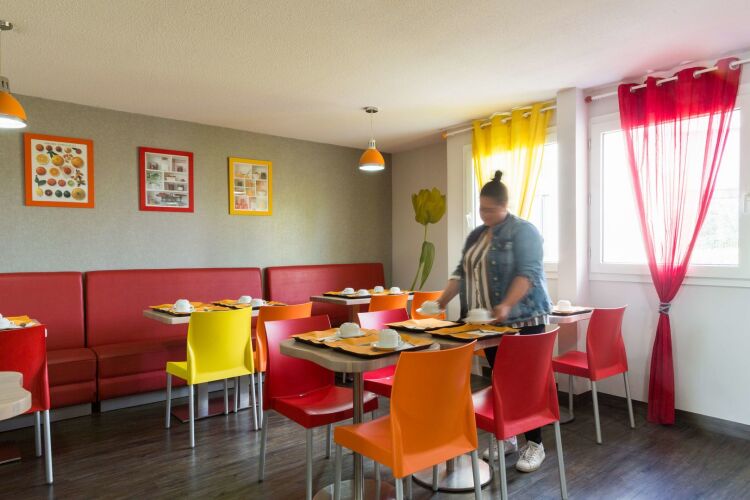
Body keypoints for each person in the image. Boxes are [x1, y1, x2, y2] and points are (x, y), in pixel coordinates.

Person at [436, 170, 552, 473]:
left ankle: (535, 445)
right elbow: (461, 272)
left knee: (524, 383)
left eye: (490, 209)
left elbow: (528, 273)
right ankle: (508, 436)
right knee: (500, 380)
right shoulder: (477, 235)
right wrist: (441, 301)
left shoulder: (524, 231)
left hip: (525, 319)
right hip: (490, 324)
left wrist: (507, 304)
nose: (485, 214)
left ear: (504, 205)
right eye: (481, 209)